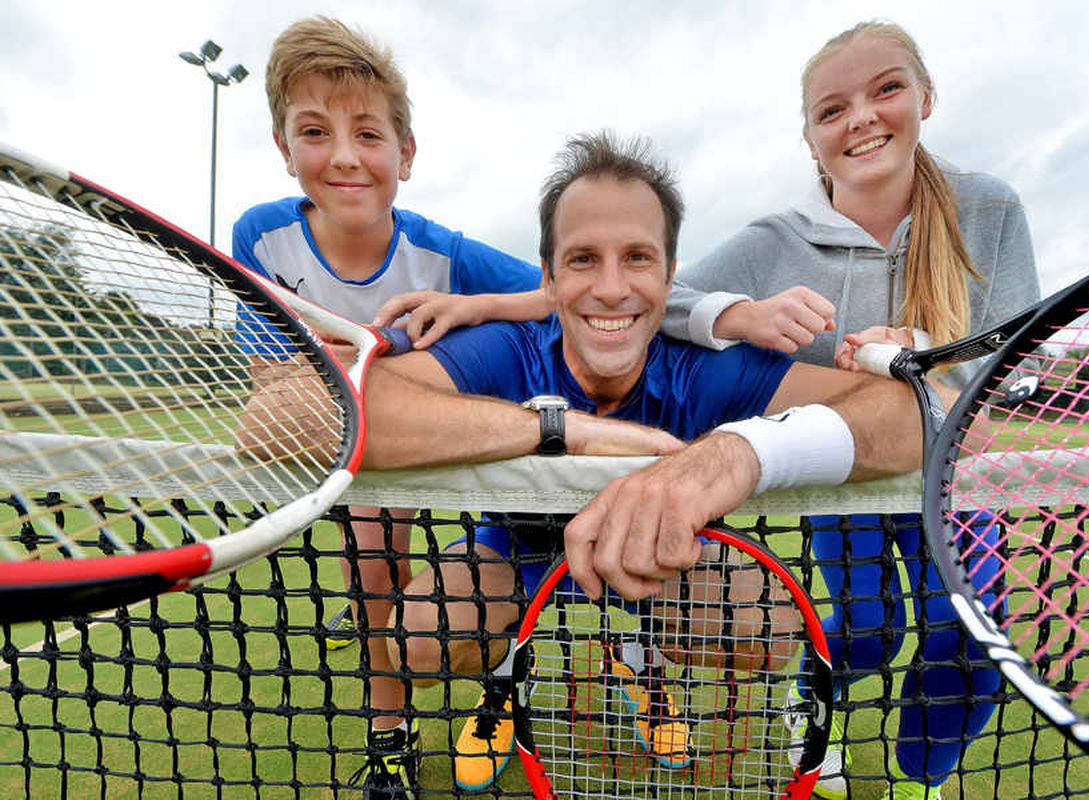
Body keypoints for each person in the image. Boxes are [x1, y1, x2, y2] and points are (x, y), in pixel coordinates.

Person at [238, 130, 964, 799]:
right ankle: (504, 681)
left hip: (659, 557)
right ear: (549, 277)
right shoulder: (506, 349)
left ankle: (637, 653)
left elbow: (916, 415)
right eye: (583, 260)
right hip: (515, 553)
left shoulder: (704, 368)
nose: (612, 288)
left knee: (768, 632)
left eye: (637, 258)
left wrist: (734, 454)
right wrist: (561, 430)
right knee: (416, 641)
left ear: (671, 273)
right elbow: (279, 417)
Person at [675, 20, 1040, 800]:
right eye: (832, 109)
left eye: (886, 90)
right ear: (810, 140)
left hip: (959, 480)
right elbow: (663, 299)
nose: (862, 118)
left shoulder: (990, 206)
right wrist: (743, 314)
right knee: (870, 635)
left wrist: (929, 351)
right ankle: (812, 699)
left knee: (968, 642)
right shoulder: (776, 236)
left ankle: (922, 783)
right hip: (847, 480)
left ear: (925, 98)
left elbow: (1020, 359)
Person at [231, 16, 551, 798]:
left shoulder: (443, 251)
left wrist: (470, 311)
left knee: (441, 583)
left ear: (405, 155)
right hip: (347, 436)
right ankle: (390, 740)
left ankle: (508, 668)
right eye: (314, 130)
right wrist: (369, 355)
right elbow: (274, 391)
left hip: (441, 430)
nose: (343, 155)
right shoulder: (261, 239)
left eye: (367, 133)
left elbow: (556, 291)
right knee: (371, 572)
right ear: (283, 146)